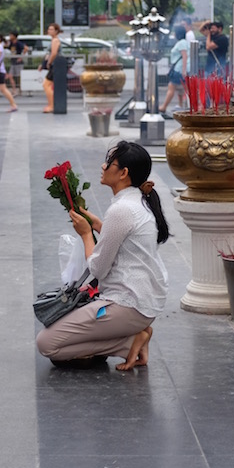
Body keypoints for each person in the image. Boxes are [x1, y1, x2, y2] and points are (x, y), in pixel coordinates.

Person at [36, 141, 169, 371]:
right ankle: (130, 338)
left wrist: (87, 234)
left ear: (123, 173)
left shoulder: (121, 210)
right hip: (144, 301)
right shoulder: (136, 201)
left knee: (47, 345)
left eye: (109, 162)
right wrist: (98, 224)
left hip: (129, 305)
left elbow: (97, 269)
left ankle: (129, 343)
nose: (103, 165)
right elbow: (124, 239)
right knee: (62, 340)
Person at [160, 25, 188, 113]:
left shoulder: (181, 43)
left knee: (171, 87)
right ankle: (181, 105)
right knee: (182, 88)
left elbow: (184, 56)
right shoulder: (184, 42)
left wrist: (183, 70)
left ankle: (164, 106)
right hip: (181, 68)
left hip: (179, 69)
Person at [40, 23, 62, 113]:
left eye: (51, 29)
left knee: (46, 84)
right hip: (55, 65)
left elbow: (53, 53)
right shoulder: (53, 40)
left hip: (56, 65)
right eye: (49, 29)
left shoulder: (55, 41)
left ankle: (52, 105)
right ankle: (51, 104)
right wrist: (43, 64)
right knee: (48, 85)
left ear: (56, 31)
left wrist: (49, 62)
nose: (49, 31)